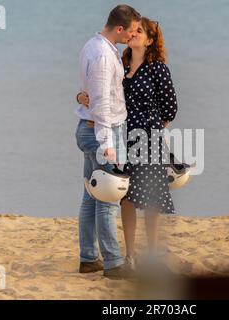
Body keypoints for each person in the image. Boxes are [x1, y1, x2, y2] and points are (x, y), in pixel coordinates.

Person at [77, 17, 178, 270]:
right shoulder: (120, 63)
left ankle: (152, 256)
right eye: (133, 30)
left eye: (139, 31)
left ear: (150, 40)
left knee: (152, 200)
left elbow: (171, 107)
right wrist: (80, 96)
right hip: (122, 136)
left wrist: (154, 128)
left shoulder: (157, 69)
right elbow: (101, 93)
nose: (133, 34)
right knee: (127, 198)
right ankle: (130, 256)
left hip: (149, 139)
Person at [74, 4, 141, 279]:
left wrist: (79, 97)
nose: (133, 35)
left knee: (91, 196)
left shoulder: (93, 45)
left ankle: (89, 258)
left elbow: (88, 92)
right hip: (102, 132)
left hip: (92, 128)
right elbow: (100, 104)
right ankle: (113, 263)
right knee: (108, 199)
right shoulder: (102, 54)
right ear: (119, 28)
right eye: (133, 30)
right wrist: (107, 144)